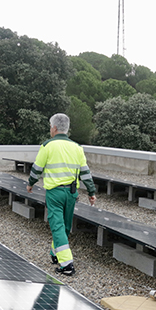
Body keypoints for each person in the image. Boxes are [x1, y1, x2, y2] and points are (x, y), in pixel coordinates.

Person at [26, 113, 96, 276]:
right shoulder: (77, 148)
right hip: (71, 193)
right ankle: (55, 253)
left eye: (51, 127)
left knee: (57, 226)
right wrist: (91, 192)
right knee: (64, 226)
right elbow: (85, 173)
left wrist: (30, 184)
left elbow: (37, 169)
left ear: (54, 128)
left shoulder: (47, 146)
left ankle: (67, 264)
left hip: (55, 193)